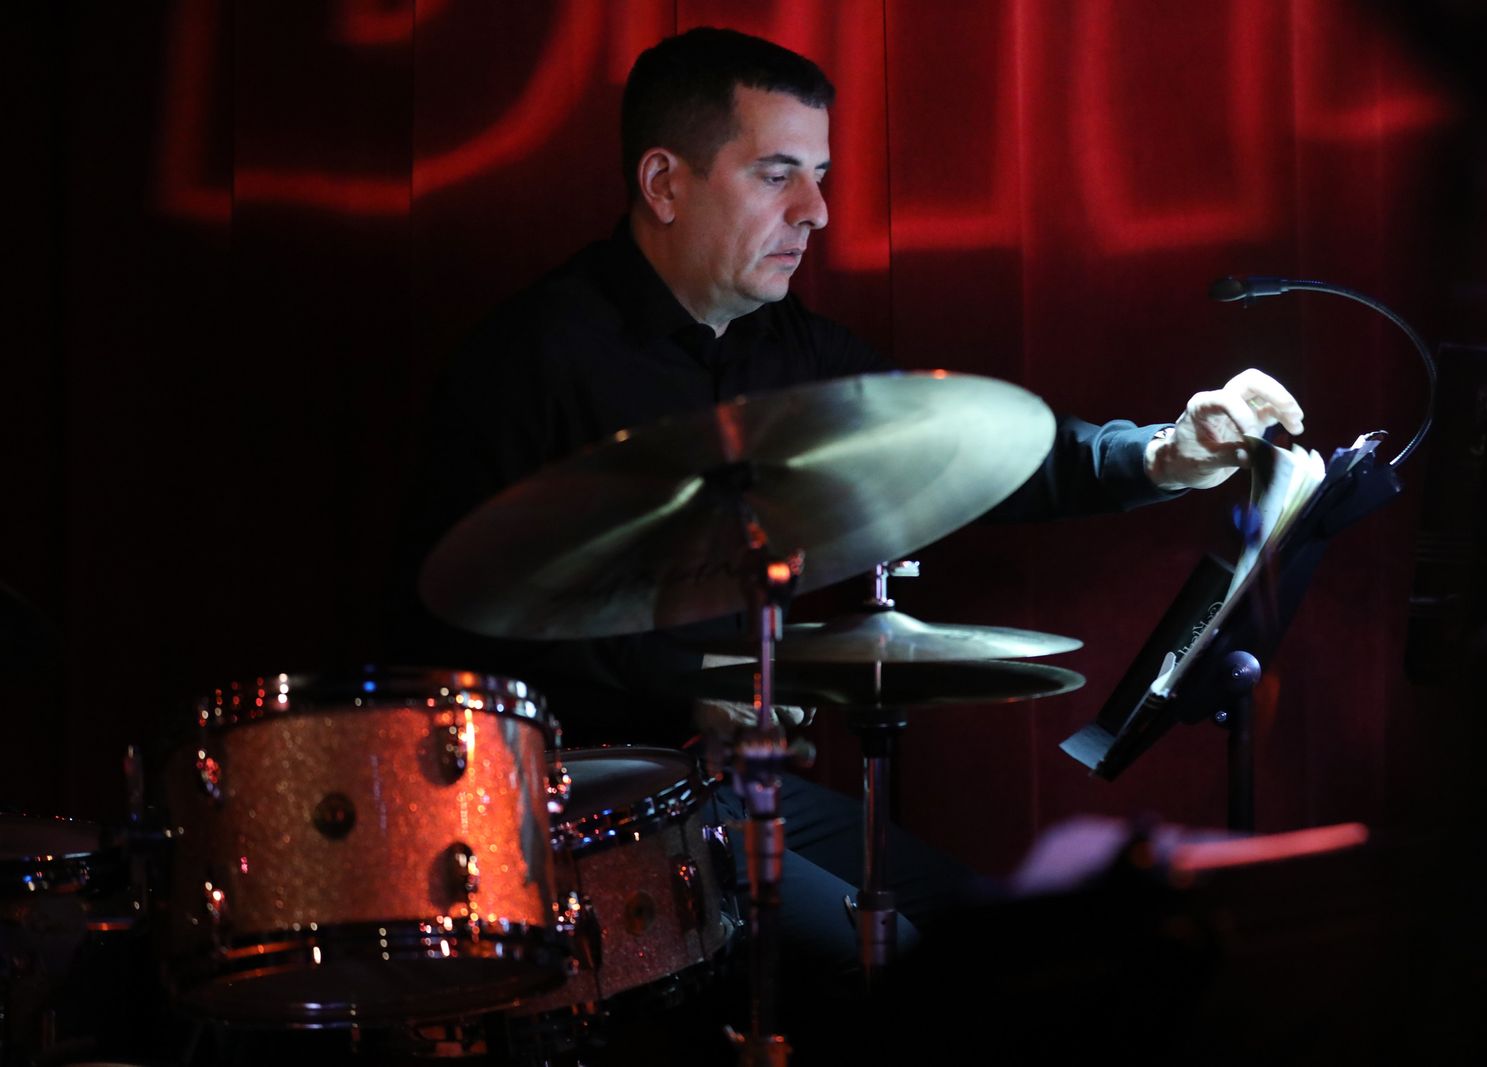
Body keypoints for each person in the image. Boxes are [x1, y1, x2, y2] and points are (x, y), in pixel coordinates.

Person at [388, 25, 1304, 1058]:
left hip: (728, 787)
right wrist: (680, 698)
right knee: (893, 968)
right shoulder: (530, 360)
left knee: (989, 936)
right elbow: (451, 637)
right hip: (575, 813)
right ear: (664, 183)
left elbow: (976, 455)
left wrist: (1163, 453)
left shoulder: (794, 354)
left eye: (819, 176)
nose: (816, 211)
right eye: (778, 173)